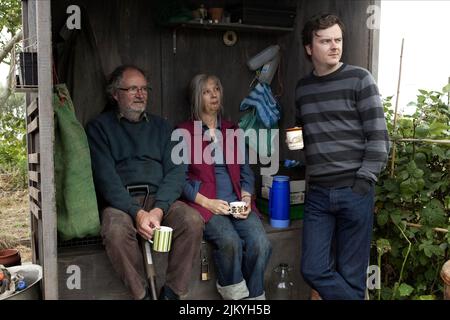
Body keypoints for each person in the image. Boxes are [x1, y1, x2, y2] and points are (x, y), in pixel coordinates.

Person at [86, 65, 204, 300]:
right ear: (115, 93)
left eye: (143, 89)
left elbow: (177, 172)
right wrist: (136, 212)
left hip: (159, 198)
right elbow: (105, 179)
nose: (140, 94)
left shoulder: (163, 128)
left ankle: (172, 293)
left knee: (192, 221)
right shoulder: (99, 128)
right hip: (122, 202)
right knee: (115, 231)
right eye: (132, 89)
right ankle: (142, 295)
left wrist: (159, 209)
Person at [294, 14, 389, 300]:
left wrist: (363, 181)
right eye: (325, 41)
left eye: (338, 40)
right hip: (319, 194)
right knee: (312, 269)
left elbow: (379, 137)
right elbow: (303, 134)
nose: (334, 46)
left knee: (352, 275)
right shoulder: (302, 89)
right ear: (310, 48)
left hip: (355, 190)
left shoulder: (360, 79)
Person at [177, 74, 272, 300]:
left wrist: (247, 197)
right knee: (231, 243)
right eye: (207, 91)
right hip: (206, 205)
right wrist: (207, 202)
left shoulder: (231, 130)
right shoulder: (184, 132)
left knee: (261, 244)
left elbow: (246, 170)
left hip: (237, 202)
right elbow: (178, 178)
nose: (214, 95)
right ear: (196, 97)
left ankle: (254, 297)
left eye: (217, 89)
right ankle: (235, 296)